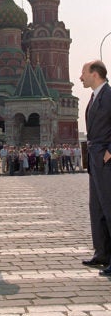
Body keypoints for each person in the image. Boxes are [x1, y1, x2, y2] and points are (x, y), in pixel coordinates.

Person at [80, 60, 111, 276]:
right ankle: (102, 253)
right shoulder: (95, 96)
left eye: (84, 73)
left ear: (95, 74)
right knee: (97, 208)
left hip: (105, 158)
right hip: (94, 157)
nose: (81, 77)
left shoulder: (108, 96)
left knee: (109, 207)